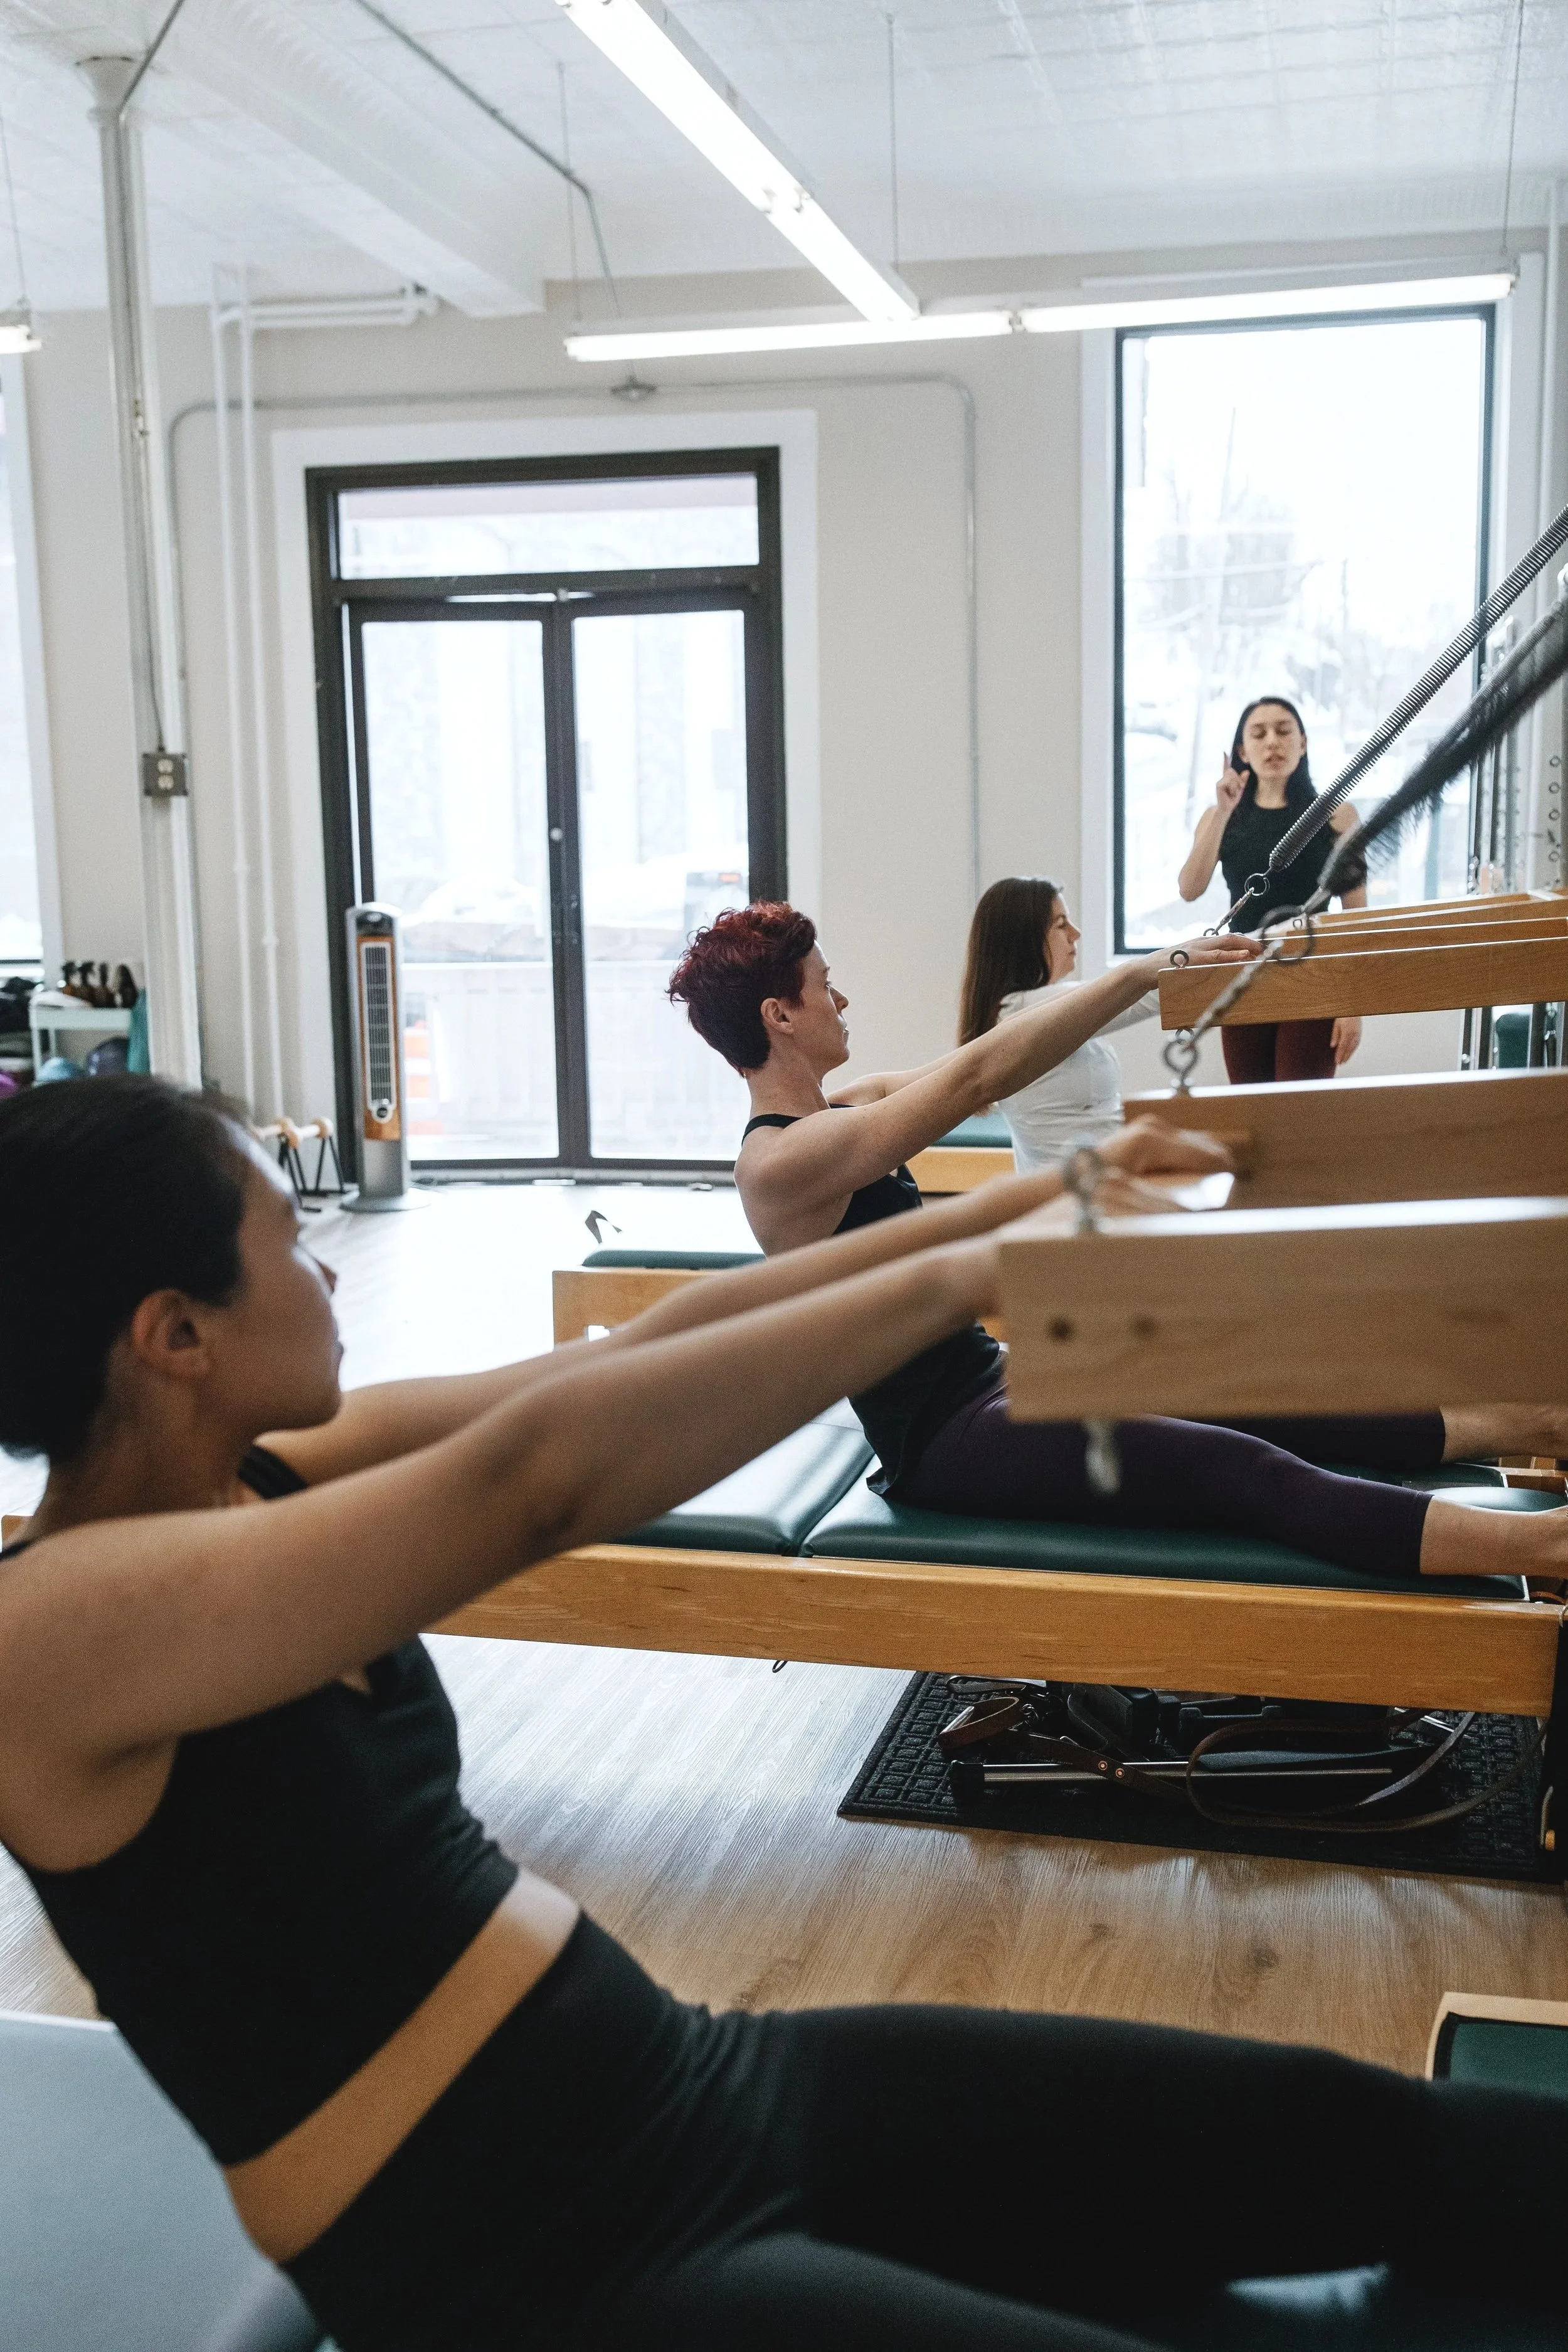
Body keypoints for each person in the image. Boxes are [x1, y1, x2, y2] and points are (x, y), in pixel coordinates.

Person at [0, 1078, 1563, 2352]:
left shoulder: (260, 1475)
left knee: (1336, 2133)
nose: (329, 1264)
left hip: (701, 2087)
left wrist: (1025, 1212)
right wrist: (966, 1274)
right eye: (289, 1236)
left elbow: (638, 1353)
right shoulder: (47, 1629)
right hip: (530, 2271)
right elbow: (532, 1476)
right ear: (174, 1331)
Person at [669, 899, 1568, 1581]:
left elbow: (998, 1051)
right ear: (780, 1016)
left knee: (1260, 1386)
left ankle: (1536, 1419)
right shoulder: (781, 1165)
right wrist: (1143, 974)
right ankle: (1545, 1544)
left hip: (998, 1374)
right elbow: (980, 1069)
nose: (842, 996)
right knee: (1242, 1471)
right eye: (826, 984)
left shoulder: (849, 1105)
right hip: (945, 1440)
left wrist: (1157, 981)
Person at [1177, 695, 1367, 1084]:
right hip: (1243, 973)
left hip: (1314, 973)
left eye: (1284, 731)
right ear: (1242, 750)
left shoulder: (1338, 816)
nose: (1272, 743)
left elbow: (1357, 917)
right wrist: (1225, 811)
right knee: (1252, 1109)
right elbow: (1189, 889)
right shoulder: (1219, 817)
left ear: (1303, 743)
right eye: (1258, 733)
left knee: (1301, 1114)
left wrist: (1353, 1004)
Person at [958, 876, 1154, 1171]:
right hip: (1071, 1199)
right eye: (1061, 925)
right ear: (1024, 940)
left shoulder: (1029, 1008)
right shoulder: (1023, 1011)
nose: (1075, 933)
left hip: (1098, 1183)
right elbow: (1147, 991)